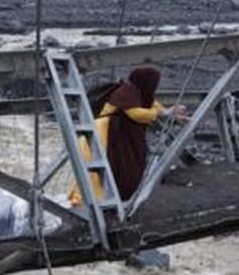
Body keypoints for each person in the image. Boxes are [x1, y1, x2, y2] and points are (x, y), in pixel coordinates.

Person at [68, 66, 189, 205]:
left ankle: (110, 200)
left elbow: (154, 106)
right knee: (104, 168)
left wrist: (171, 113)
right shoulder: (126, 92)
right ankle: (90, 201)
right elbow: (135, 113)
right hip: (106, 134)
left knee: (124, 168)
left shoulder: (138, 92)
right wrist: (163, 113)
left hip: (120, 136)